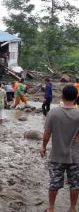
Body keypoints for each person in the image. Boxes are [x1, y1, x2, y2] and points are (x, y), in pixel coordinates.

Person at [40, 84, 79, 212]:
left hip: (57, 155)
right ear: (76, 97)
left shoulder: (53, 113)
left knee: (54, 183)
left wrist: (43, 147)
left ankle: (51, 208)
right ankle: (72, 208)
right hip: (75, 156)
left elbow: (47, 133)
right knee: (75, 184)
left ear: (62, 96)